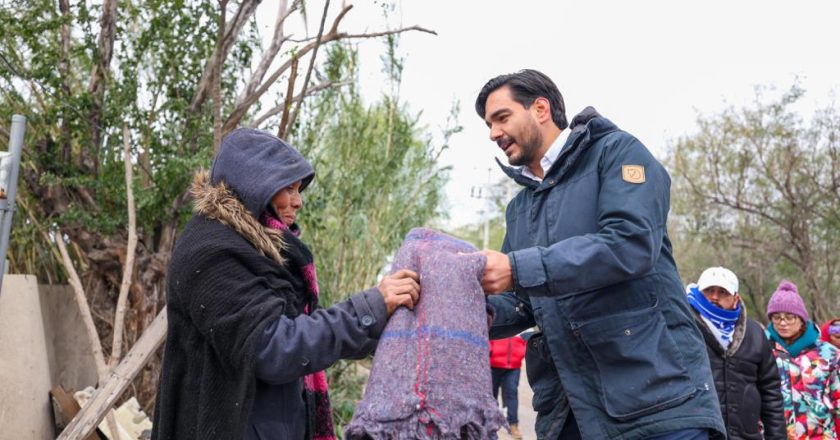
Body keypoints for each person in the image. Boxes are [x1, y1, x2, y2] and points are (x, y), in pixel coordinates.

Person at [473, 69, 725, 439]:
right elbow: (522, 300)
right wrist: (456, 305)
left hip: (658, 407)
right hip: (570, 414)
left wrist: (516, 267)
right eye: (488, 125)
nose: (493, 133)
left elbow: (629, 244)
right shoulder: (519, 208)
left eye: (501, 117)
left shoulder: (616, 153)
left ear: (540, 109)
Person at [152, 128, 421, 440]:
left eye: (299, 190)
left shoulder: (259, 251)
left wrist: (389, 325)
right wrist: (370, 307)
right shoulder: (212, 252)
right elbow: (274, 347)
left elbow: (305, 331)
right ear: (255, 186)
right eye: (288, 189)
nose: (298, 202)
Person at [686, 267, 785, 440]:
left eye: (723, 292)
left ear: (736, 298)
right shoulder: (684, 327)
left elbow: (771, 392)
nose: (714, 297)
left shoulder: (755, 333)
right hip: (697, 434)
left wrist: (776, 436)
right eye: (708, 290)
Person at [765, 280, 840, 440]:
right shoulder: (762, 350)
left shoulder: (829, 354)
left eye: (789, 317)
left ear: (801, 320)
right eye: (776, 318)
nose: (783, 323)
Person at [489, 334, 527, 439]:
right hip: (493, 365)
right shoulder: (497, 318)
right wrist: (491, 350)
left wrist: (520, 353)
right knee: (491, 395)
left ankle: (513, 425)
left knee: (512, 393)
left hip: (514, 367)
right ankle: (490, 423)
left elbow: (528, 340)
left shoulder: (524, 321)